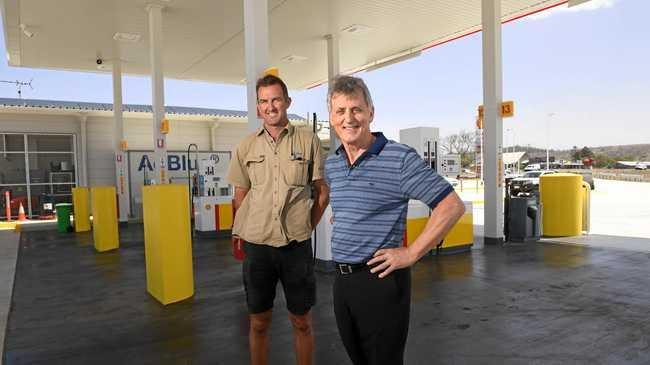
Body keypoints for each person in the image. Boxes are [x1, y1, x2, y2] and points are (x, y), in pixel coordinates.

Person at [324, 75, 466, 365]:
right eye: (340, 111)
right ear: (331, 117)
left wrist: (411, 253)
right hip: (342, 282)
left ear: (370, 113)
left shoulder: (398, 158)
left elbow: (451, 206)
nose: (348, 119)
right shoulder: (333, 163)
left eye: (356, 110)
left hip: (380, 280)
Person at [227, 74, 329, 365]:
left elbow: (322, 193)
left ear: (287, 102)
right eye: (263, 101)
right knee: (258, 323)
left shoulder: (308, 141)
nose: (270, 106)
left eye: (275, 99)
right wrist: (239, 233)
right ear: (258, 108)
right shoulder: (246, 146)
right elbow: (240, 196)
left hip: (295, 247)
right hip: (257, 247)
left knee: (302, 322)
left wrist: (306, 225)